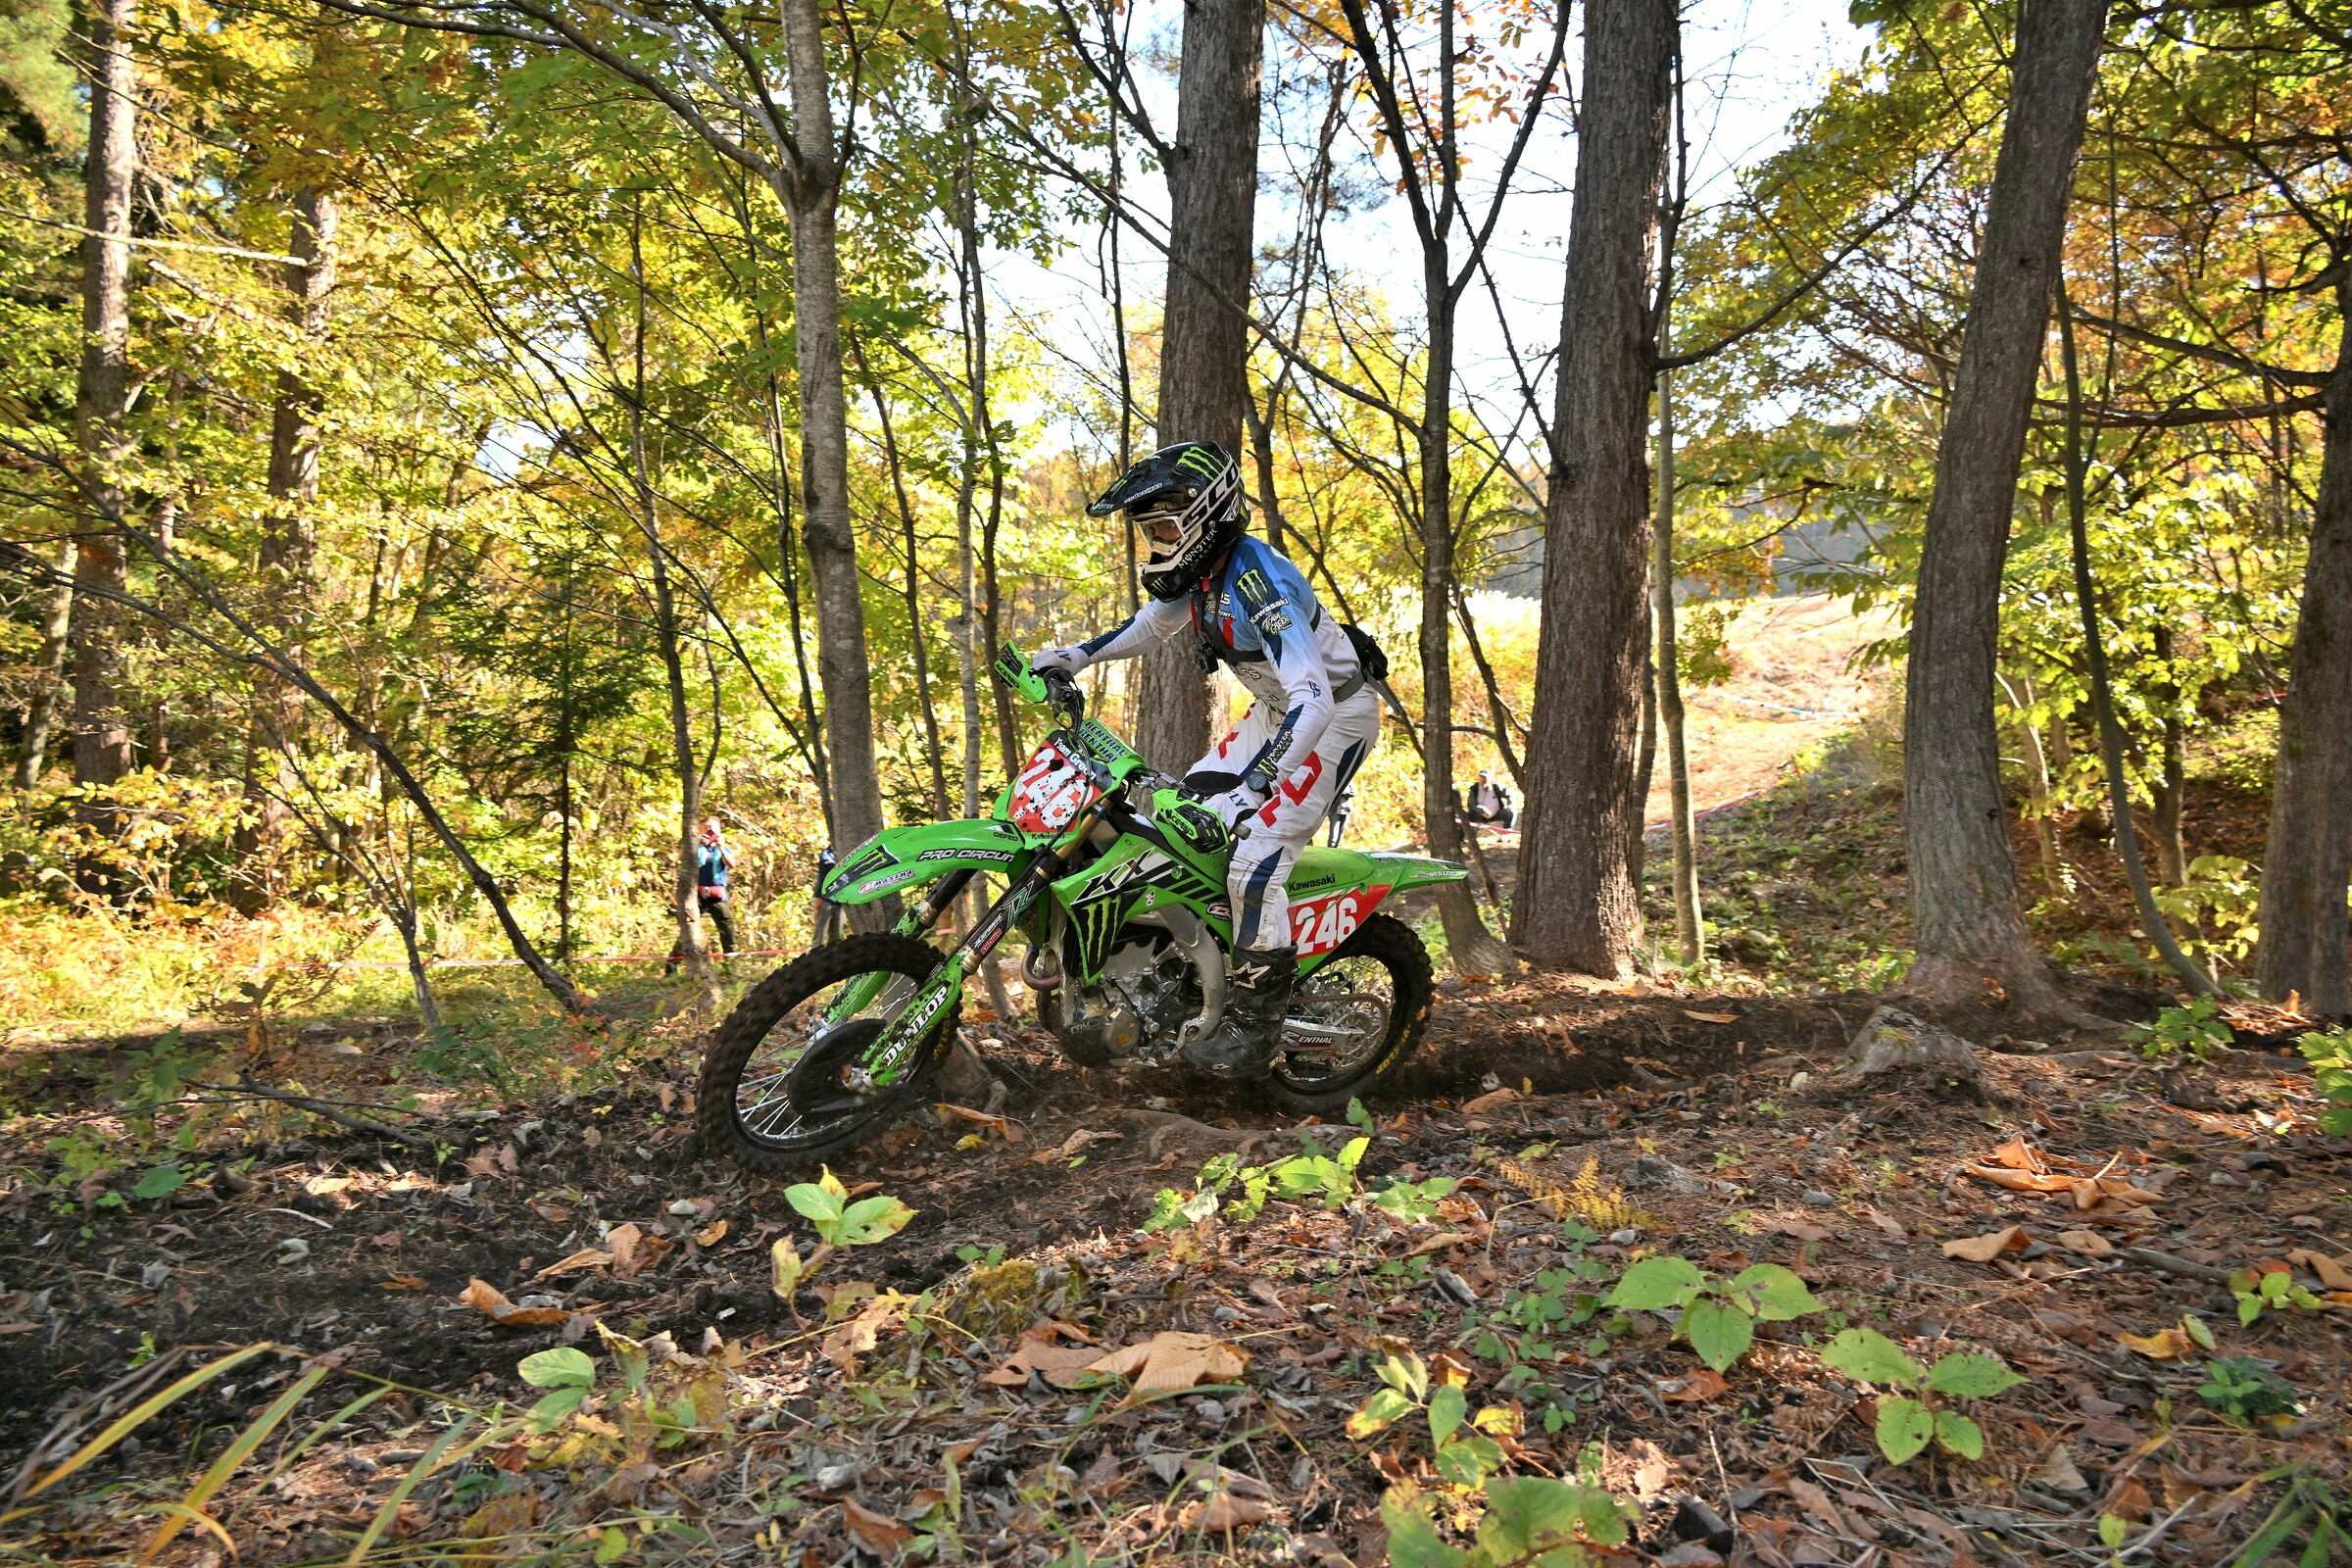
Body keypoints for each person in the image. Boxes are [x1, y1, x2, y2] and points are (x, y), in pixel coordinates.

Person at [1033, 441, 1381, 1081]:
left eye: (1165, 528)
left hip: (1331, 719)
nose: (1157, 542)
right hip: (1281, 713)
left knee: (1254, 861)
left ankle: (1256, 1023)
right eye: (1150, 532)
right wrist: (1076, 656)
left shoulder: (1258, 581)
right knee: (1182, 825)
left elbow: (1315, 697)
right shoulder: (1204, 573)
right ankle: (1189, 973)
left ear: (1207, 515)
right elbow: (1151, 625)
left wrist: (1260, 783)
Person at [666, 817, 735, 973]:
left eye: (712, 828)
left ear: (719, 830)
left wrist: (721, 848)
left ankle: (730, 966)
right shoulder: (695, 847)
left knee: (727, 930)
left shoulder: (723, 848)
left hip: (718, 896)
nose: (709, 830)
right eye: (706, 827)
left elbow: (732, 865)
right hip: (697, 896)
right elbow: (680, 858)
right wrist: (695, 842)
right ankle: (671, 968)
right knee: (688, 928)